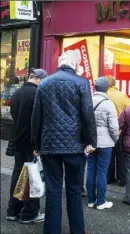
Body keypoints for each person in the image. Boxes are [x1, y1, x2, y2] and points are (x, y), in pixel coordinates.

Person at [31, 50, 97, 234]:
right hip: (75, 146)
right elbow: (87, 115)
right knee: (74, 191)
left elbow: (37, 117)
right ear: (76, 65)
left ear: (60, 63)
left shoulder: (44, 83)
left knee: (53, 191)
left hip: (50, 146)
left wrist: (36, 145)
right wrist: (91, 142)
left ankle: (51, 231)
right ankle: (76, 230)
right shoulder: (81, 83)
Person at [6, 68, 48, 224]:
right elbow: (39, 120)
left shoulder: (17, 93)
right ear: (39, 79)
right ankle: (29, 213)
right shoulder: (37, 94)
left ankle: (13, 210)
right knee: (33, 177)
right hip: (32, 142)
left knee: (17, 175)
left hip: (18, 140)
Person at [86, 77, 119, 209]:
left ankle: (90, 200)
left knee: (90, 170)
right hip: (105, 143)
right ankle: (101, 202)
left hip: (90, 142)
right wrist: (115, 139)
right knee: (101, 172)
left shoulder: (87, 101)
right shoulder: (108, 104)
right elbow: (114, 127)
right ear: (107, 88)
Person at [105, 75, 130, 186]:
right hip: (120, 130)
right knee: (121, 155)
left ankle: (109, 178)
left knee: (109, 155)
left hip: (106, 131)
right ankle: (122, 179)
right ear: (115, 83)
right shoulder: (122, 95)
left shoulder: (104, 95)